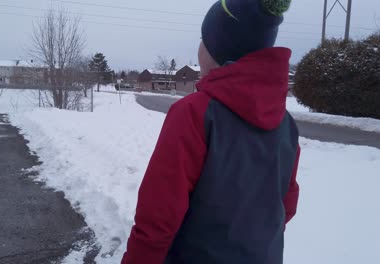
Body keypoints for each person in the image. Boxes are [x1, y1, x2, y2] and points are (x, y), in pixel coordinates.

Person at [122, 0, 300, 263]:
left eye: (203, 39)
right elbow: (287, 204)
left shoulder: (194, 113)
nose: (199, 48)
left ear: (219, 49)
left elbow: (158, 217)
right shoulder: (286, 124)